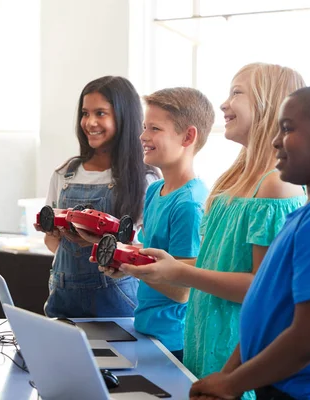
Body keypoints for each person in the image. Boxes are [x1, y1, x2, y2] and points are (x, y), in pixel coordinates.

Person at [119, 64, 307, 388]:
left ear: (269, 104)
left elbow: (261, 288)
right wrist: (141, 264)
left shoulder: (276, 186)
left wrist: (180, 273)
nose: (223, 103)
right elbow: (214, 264)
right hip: (203, 350)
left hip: (236, 361)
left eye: (237, 92)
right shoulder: (233, 180)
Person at [190, 83, 310, 400]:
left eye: (287, 129)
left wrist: (231, 384)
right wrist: (228, 375)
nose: (274, 141)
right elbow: (269, 307)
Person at [99, 87, 213, 362]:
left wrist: (133, 270)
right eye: (143, 127)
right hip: (146, 327)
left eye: (155, 129)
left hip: (172, 338)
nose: (143, 136)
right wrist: (122, 260)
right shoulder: (155, 190)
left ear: (188, 136)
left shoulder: (189, 204)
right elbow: (153, 255)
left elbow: (182, 290)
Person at [42, 76, 158, 318]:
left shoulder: (145, 179)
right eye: (85, 113)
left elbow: (146, 251)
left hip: (118, 299)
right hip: (63, 297)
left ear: (124, 117)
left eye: (100, 113)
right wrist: (59, 236)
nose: (90, 122)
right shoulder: (64, 174)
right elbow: (52, 244)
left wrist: (102, 246)